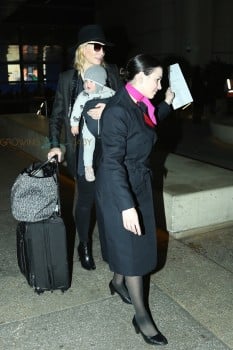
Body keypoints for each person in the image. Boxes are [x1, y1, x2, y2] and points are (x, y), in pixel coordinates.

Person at [95, 54, 175, 346]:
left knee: (134, 243)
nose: (159, 84)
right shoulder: (118, 110)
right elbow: (112, 163)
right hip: (118, 187)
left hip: (137, 181)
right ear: (140, 77)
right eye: (157, 79)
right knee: (130, 249)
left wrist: (166, 101)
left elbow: (149, 122)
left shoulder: (139, 102)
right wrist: (126, 205)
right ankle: (141, 317)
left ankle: (118, 283)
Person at [47, 24, 122, 270]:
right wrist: (55, 145)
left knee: (108, 199)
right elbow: (57, 115)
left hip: (110, 146)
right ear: (83, 49)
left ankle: (111, 247)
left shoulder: (111, 72)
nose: (102, 52)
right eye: (97, 47)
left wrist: (108, 110)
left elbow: (126, 106)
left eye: (104, 47)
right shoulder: (69, 79)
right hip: (83, 148)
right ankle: (85, 244)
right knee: (86, 198)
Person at [70, 65, 115, 182]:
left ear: (100, 83)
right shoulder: (84, 95)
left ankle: (110, 167)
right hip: (89, 128)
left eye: (91, 81)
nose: (87, 84)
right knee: (88, 145)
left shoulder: (109, 92)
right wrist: (74, 124)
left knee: (110, 147)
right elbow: (76, 110)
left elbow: (118, 102)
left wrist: (108, 107)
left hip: (107, 128)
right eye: (86, 81)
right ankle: (88, 167)